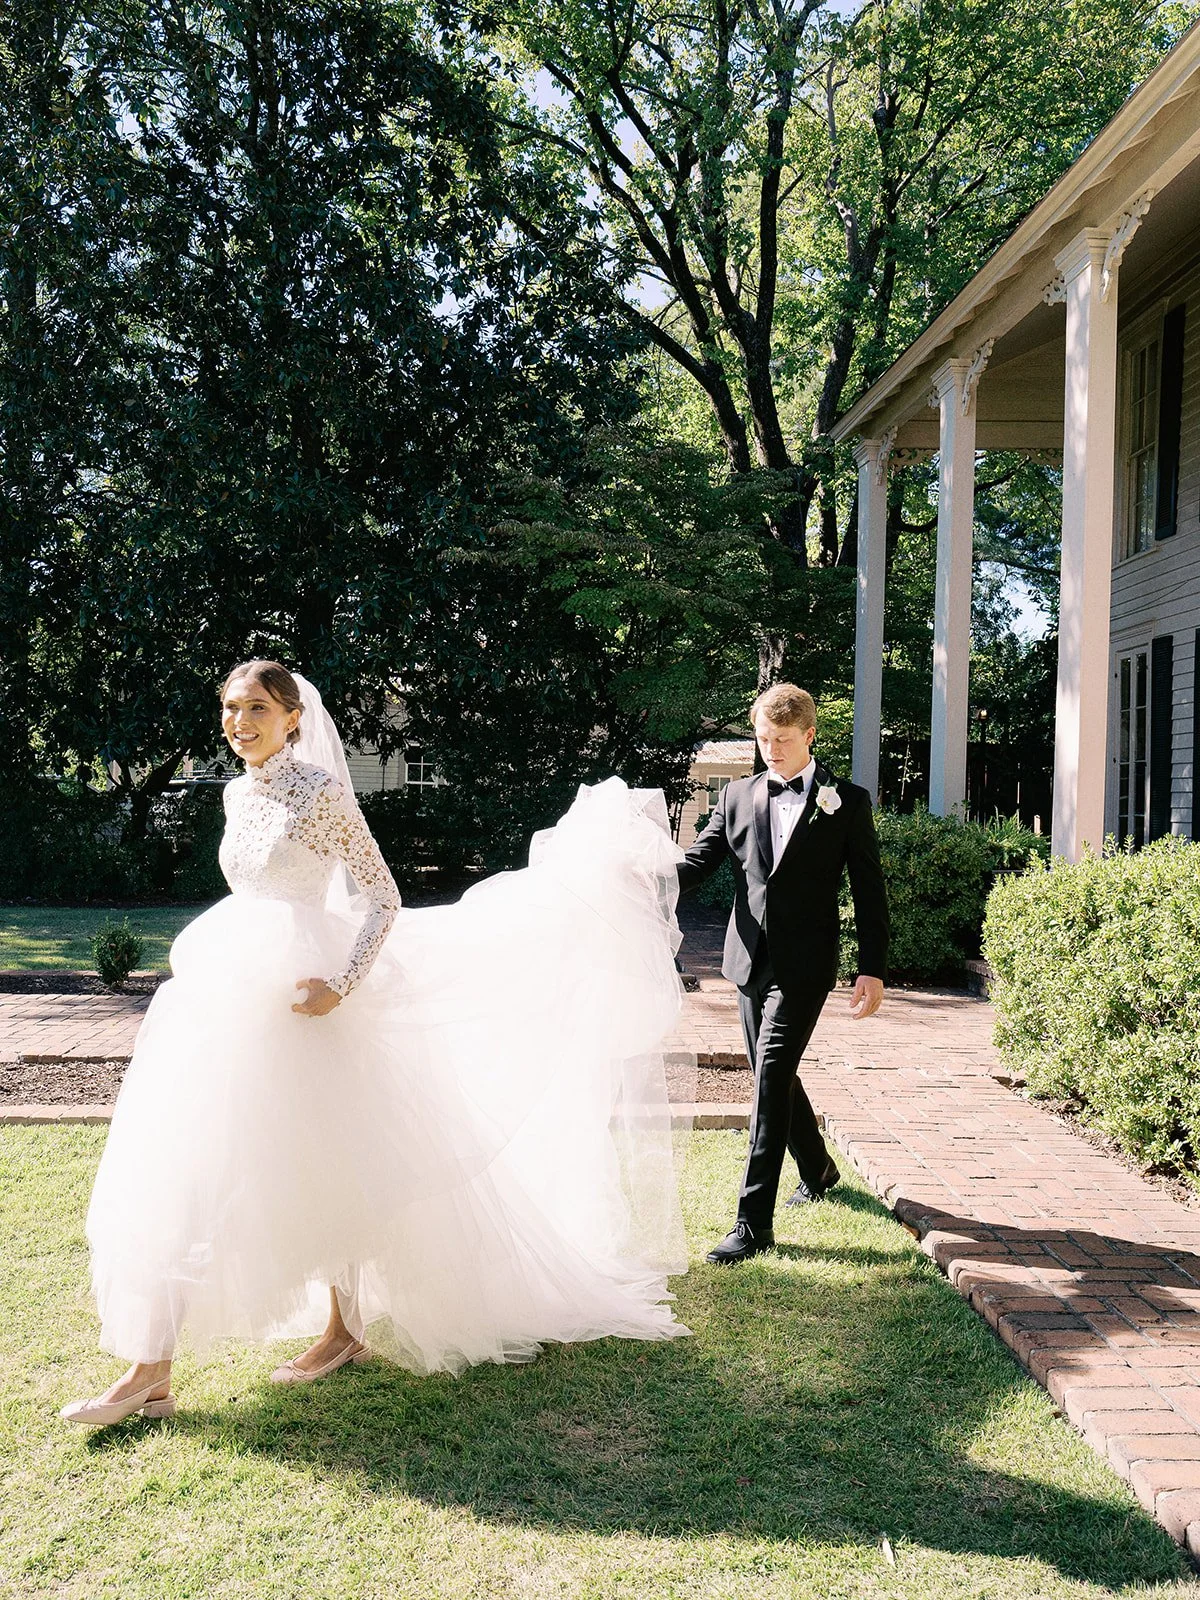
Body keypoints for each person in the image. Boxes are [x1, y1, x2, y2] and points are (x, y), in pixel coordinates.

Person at [61, 662, 690, 1426]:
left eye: (255, 708)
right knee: (186, 1167)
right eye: (229, 709)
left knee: (332, 1166)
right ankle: (151, 1372)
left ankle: (341, 1332)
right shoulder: (235, 792)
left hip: (303, 1004)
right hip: (223, 999)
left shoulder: (320, 793)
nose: (238, 722)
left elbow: (380, 897)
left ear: (293, 717)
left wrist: (342, 986)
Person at [677, 684, 889, 1265]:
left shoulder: (846, 801)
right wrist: (646, 874)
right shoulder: (737, 796)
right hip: (746, 960)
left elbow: (870, 891)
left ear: (810, 736)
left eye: (784, 740)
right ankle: (818, 1168)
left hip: (805, 966)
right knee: (774, 1073)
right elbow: (698, 863)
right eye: (764, 738)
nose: (771, 749)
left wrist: (872, 968)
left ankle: (752, 1224)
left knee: (769, 1077)